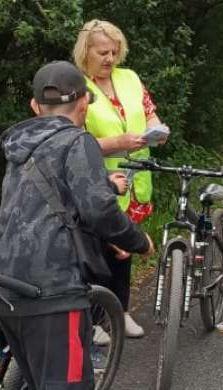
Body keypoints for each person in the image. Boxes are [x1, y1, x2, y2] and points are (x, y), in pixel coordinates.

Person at [0, 61, 155, 390]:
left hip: (4, 287)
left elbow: (43, 213)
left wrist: (100, 239)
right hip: (52, 292)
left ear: (34, 106)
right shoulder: (78, 142)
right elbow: (98, 208)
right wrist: (135, 240)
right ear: (84, 102)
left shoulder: (19, 148)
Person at [72, 19, 169, 338]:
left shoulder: (129, 78)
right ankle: (96, 318)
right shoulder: (75, 88)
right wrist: (118, 144)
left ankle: (122, 313)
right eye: (103, 52)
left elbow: (148, 111)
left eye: (115, 52)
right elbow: (72, 142)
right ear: (85, 52)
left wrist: (158, 129)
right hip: (97, 182)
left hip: (135, 180)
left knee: (124, 251)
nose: (110, 59)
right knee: (96, 251)